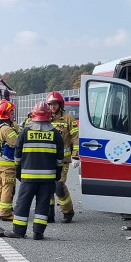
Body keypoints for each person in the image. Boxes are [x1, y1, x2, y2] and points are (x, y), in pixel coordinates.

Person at [5, 102, 64, 240]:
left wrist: (18, 170)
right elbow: (60, 158)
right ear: (49, 116)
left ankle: (19, 231)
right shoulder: (55, 134)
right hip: (48, 178)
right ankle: (38, 232)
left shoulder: (25, 132)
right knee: (43, 204)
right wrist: (58, 173)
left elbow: (17, 154)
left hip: (28, 177)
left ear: (33, 115)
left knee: (23, 203)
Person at [46, 91, 78, 223]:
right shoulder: (45, 118)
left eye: (55, 104)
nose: (52, 107)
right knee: (47, 186)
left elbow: (76, 138)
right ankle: (49, 213)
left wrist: (75, 156)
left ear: (60, 104)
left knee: (59, 186)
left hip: (63, 160)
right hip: (47, 159)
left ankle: (68, 211)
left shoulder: (68, 118)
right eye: (50, 104)